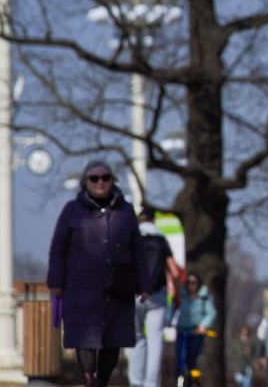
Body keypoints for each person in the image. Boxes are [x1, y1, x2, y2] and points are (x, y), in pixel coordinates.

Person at [47, 160, 150, 387]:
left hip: (118, 289)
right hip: (81, 288)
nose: (100, 182)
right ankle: (88, 379)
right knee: (84, 337)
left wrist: (144, 285)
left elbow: (138, 251)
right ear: (86, 183)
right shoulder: (71, 211)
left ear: (113, 181)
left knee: (114, 340)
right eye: (94, 178)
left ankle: (101, 382)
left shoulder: (125, 211)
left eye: (105, 177)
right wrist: (56, 282)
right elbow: (58, 248)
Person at [128, 207, 182, 387]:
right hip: (157, 295)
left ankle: (136, 381)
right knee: (155, 340)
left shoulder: (131, 238)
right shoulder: (160, 240)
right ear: (154, 220)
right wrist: (177, 295)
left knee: (135, 338)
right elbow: (174, 271)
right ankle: (151, 383)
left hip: (133, 294)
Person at [173, 272, 216, 386]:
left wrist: (203, 325)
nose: (191, 285)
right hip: (182, 332)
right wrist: (169, 320)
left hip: (196, 333)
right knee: (180, 360)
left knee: (192, 360)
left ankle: (193, 382)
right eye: (189, 283)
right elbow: (174, 308)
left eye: (193, 282)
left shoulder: (204, 297)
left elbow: (211, 313)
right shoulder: (182, 296)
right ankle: (180, 381)